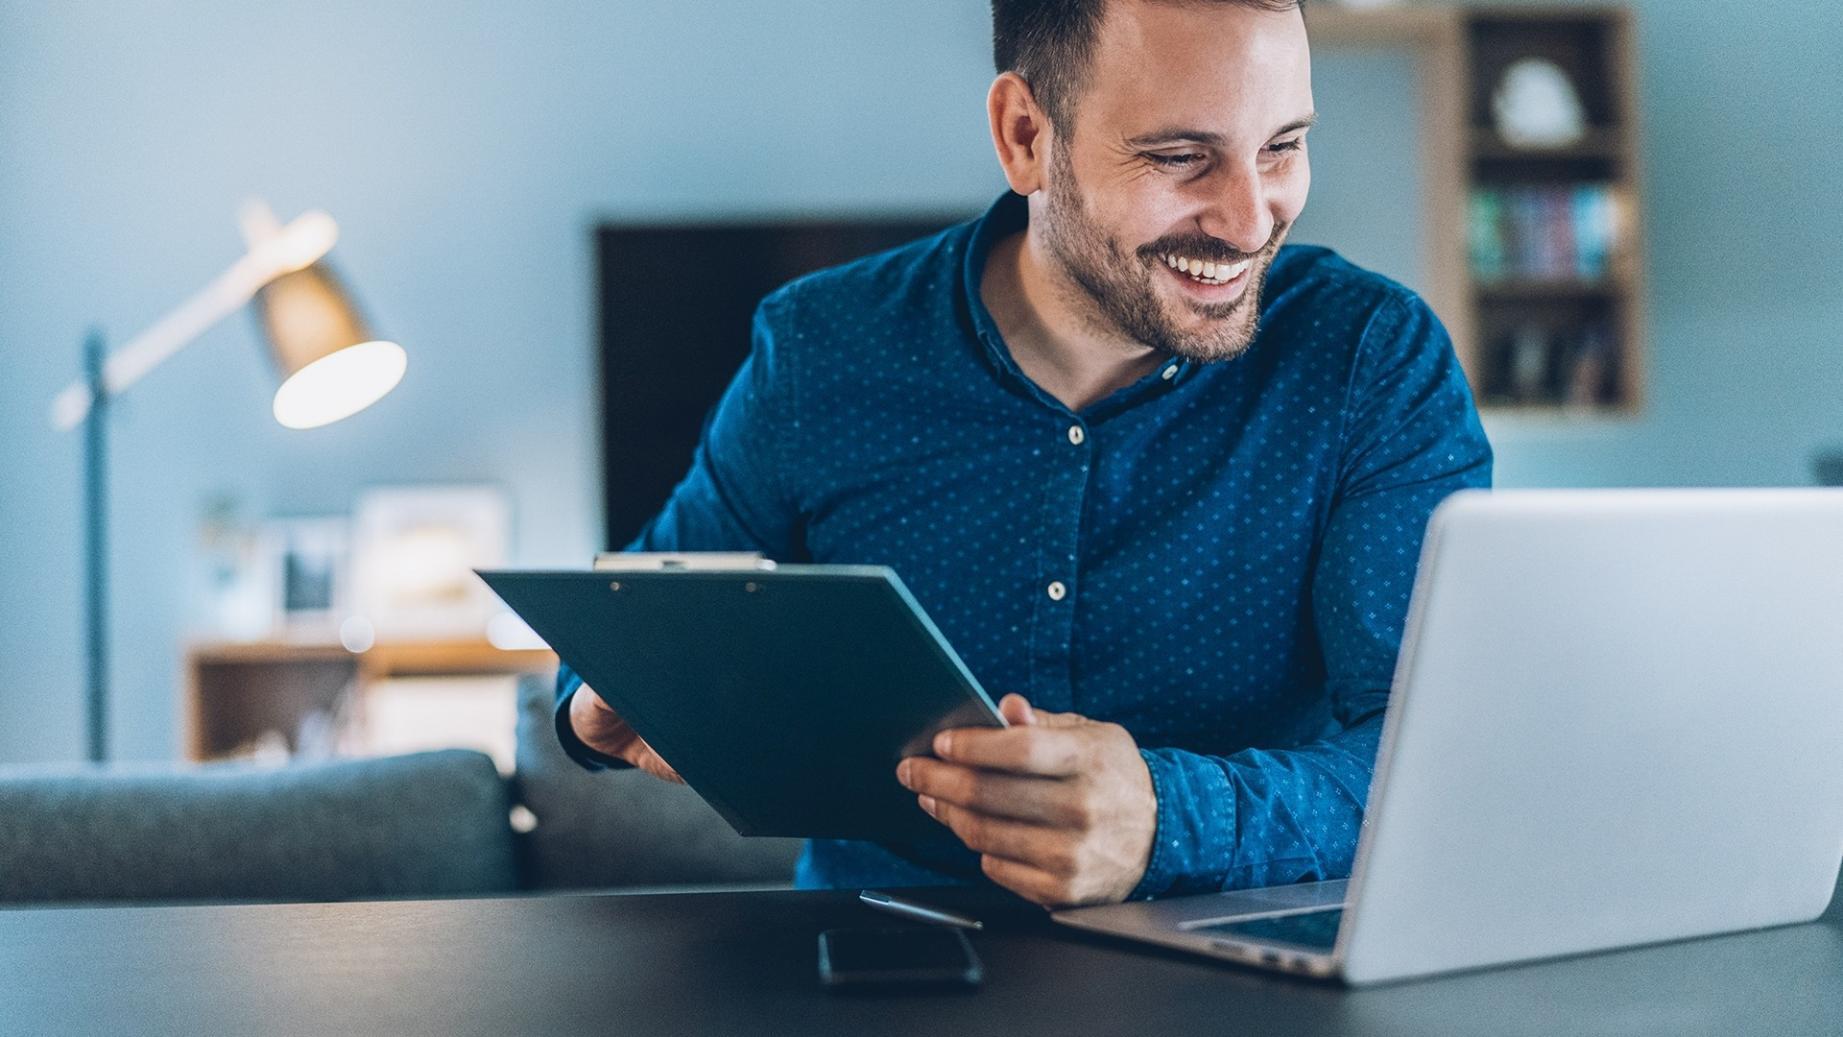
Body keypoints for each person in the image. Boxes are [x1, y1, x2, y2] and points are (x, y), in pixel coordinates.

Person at [555, 0, 1491, 908]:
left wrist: (1170, 820)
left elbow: (1432, 760)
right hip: (880, 958)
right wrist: (601, 699)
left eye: (1282, 145)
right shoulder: (817, 351)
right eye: (1178, 157)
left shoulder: (1372, 360)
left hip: (1251, 976)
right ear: (1024, 136)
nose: (1250, 221)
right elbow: (632, 613)